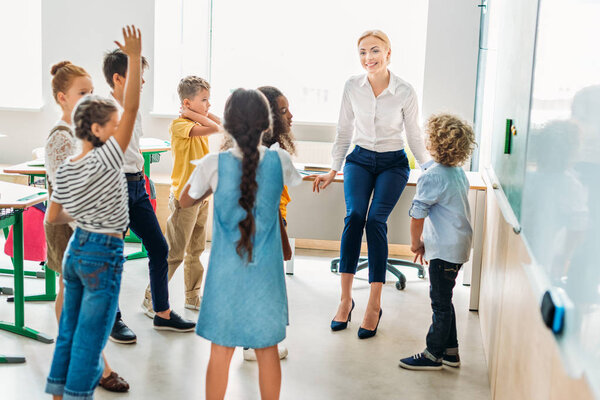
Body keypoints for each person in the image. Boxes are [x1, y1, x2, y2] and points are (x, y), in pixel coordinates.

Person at [180, 88, 302, 400]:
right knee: (267, 351)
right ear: (267, 125)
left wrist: (212, 188)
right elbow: (279, 193)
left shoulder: (212, 163)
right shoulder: (281, 161)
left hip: (225, 277)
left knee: (220, 352)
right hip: (267, 279)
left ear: (227, 125)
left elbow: (184, 201)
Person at [312, 30, 429, 339]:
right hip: (360, 160)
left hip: (393, 163)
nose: (368, 58)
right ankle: (345, 299)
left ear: (388, 53)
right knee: (354, 217)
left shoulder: (404, 90)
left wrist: (429, 167)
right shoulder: (352, 86)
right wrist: (333, 168)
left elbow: (414, 135)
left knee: (375, 220)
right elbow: (344, 131)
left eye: (374, 51)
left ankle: (374, 304)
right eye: (362, 52)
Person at [45, 26, 140, 399]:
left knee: (70, 332)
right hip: (102, 251)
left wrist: (83, 212)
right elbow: (130, 106)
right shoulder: (108, 157)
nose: (121, 129)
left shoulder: (70, 164)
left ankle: (57, 393)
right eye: (115, 126)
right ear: (98, 128)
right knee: (89, 338)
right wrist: (133, 56)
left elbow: (53, 216)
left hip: (76, 250)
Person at [102, 48, 195, 339]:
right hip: (114, 188)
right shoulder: (104, 110)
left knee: (159, 247)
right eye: (137, 77)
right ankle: (112, 320)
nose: (143, 83)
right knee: (113, 258)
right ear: (118, 79)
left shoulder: (134, 109)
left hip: (136, 186)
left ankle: (162, 313)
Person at [222, 85, 295, 362]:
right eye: (284, 110)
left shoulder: (265, 149)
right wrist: (283, 241)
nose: (291, 116)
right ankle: (254, 344)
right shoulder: (267, 154)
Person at [398, 113, 476, 370]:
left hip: (444, 250)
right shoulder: (457, 173)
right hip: (458, 247)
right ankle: (451, 352)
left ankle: (433, 354)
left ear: (433, 143)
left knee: (440, 303)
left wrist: (415, 243)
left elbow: (417, 216)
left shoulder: (432, 176)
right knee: (446, 298)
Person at [144, 75, 221, 312]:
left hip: (202, 196)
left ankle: (192, 296)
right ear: (187, 103)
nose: (209, 105)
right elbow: (214, 128)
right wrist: (191, 115)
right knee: (174, 254)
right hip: (184, 198)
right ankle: (151, 298)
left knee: (196, 250)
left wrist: (196, 112)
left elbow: (221, 123)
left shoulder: (194, 120)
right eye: (204, 100)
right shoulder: (179, 125)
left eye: (209, 99)